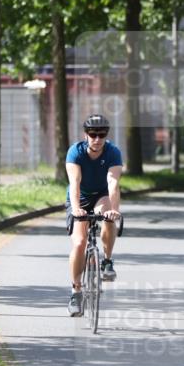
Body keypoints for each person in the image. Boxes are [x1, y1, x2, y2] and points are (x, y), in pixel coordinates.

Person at [66, 114, 123, 317]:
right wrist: (75, 209)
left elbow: (113, 183)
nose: (97, 139)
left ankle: (107, 260)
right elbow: (75, 182)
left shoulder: (113, 152)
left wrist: (114, 209)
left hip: (101, 196)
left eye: (102, 134)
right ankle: (76, 291)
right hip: (79, 197)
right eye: (93, 134)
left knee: (108, 215)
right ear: (86, 135)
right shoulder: (75, 152)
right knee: (80, 243)